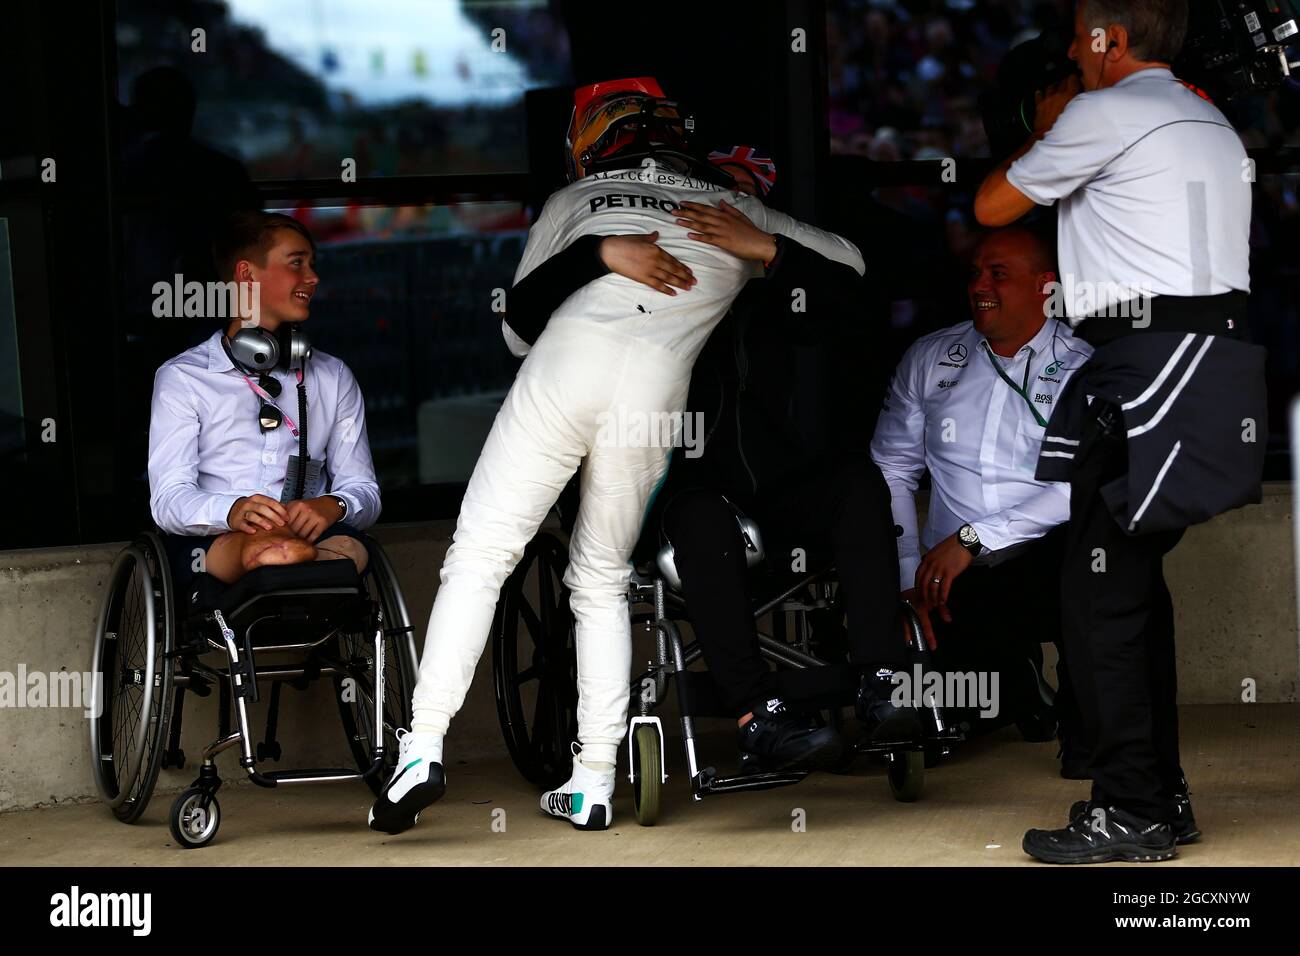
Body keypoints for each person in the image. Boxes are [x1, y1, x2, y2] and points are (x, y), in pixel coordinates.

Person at [367, 79, 864, 834]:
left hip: (567, 367)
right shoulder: (730, 206)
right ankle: (593, 779)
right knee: (599, 578)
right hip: (654, 393)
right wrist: (762, 248)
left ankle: (421, 749)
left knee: (480, 558)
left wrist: (598, 252)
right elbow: (853, 267)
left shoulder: (577, 200)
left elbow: (516, 329)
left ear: (592, 140)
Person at [502, 145, 905, 774]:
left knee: (854, 479)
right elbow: (521, 328)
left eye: (745, 200)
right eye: (714, 192)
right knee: (702, 516)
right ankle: (755, 715)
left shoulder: (771, 276)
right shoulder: (637, 264)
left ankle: (885, 681)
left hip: (765, 487)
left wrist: (769, 250)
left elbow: (858, 302)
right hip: (665, 496)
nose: (721, 209)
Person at [975, 0, 1267, 863]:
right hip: (1189, 361)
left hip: (1154, 362)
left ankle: (1133, 809)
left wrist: (1053, 124)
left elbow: (994, 203)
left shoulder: (1109, 109)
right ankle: (1156, 797)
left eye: (1076, 39)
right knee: (1123, 589)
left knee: (1100, 595)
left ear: (1110, 41)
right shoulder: (1204, 113)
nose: (1069, 54)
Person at [870, 227, 1092, 766]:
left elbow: (1080, 485)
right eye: (974, 273)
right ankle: (1016, 686)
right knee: (939, 733)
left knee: (1092, 568)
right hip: (951, 575)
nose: (980, 286)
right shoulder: (931, 357)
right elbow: (892, 467)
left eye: (999, 274)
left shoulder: (1084, 364)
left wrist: (971, 539)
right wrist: (906, 572)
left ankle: (1082, 717)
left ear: (1046, 286)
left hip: (1045, 558)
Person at [148, 212, 380, 587]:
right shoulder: (183, 378)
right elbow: (169, 501)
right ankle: (292, 558)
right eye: (296, 263)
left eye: (312, 264)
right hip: (220, 541)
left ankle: (295, 557)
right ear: (247, 274)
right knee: (281, 552)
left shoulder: (333, 376)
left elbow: (364, 490)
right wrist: (234, 511)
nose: (313, 277)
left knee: (353, 550)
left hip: (314, 538)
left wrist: (334, 505)